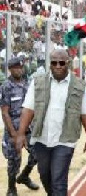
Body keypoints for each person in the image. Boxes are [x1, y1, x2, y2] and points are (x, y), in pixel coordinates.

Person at [15, 49, 86, 195]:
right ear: (50, 64)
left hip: (65, 140)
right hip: (41, 139)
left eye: (62, 62)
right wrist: (20, 134)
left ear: (68, 63)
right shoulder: (38, 83)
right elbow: (28, 110)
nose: (58, 66)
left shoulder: (79, 85)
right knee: (45, 177)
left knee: (58, 180)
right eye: (54, 63)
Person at [1, 57, 39, 196]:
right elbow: (5, 113)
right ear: (10, 69)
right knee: (14, 160)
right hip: (14, 128)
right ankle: (11, 188)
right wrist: (14, 134)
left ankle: (24, 176)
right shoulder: (6, 87)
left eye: (21, 67)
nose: (19, 70)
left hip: (29, 127)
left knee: (37, 154)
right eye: (16, 68)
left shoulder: (27, 83)